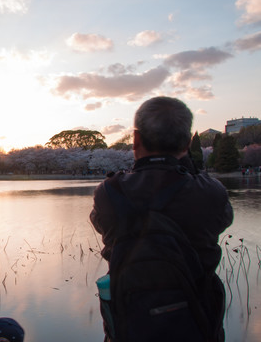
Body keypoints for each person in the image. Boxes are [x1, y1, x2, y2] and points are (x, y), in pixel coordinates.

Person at [90, 96, 233, 341]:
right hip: (196, 326)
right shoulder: (211, 193)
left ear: (135, 139)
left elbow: (100, 222)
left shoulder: (109, 193)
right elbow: (222, 219)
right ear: (188, 142)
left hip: (131, 327)